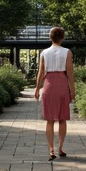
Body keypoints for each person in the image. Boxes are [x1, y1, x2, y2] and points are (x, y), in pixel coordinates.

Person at [34, 26, 75, 161]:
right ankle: (60, 148)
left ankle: (51, 149)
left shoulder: (44, 53)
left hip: (49, 85)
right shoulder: (67, 52)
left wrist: (36, 88)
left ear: (50, 38)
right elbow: (70, 73)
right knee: (62, 118)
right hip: (62, 85)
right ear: (62, 37)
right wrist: (73, 91)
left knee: (50, 119)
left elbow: (40, 73)